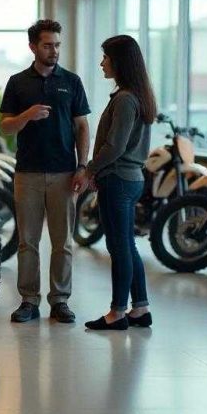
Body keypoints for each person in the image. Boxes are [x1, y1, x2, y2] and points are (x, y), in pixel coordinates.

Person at [0, 19, 91, 324]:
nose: (54, 51)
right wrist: (26, 115)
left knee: (63, 242)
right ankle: (28, 300)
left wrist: (82, 166)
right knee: (27, 241)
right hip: (28, 173)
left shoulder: (72, 81)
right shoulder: (17, 82)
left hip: (65, 173)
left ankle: (60, 300)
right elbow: (6, 126)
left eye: (57, 45)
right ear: (33, 47)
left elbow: (82, 126)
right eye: (48, 45)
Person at [82, 35, 156, 331]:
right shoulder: (137, 95)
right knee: (127, 245)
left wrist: (89, 170)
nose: (102, 63)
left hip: (119, 179)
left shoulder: (125, 99)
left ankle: (117, 312)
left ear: (119, 62)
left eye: (106, 58)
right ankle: (141, 308)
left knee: (119, 248)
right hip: (131, 178)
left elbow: (115, 147)